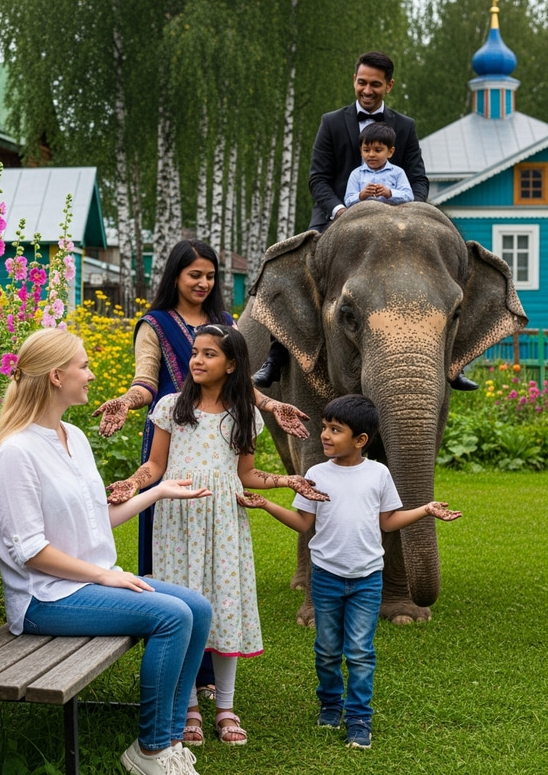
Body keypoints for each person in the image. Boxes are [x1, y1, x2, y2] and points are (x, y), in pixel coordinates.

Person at [0, 328, 214, 775]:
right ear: (54, 376)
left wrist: (158, 492)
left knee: (197, 608)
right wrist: (103, 575)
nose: (90, 374)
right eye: (83, 366)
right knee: (172, 615)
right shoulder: (17, 453)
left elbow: (94, 520)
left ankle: (166, 739)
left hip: (80, 585)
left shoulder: (74, 438)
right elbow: (31, 552)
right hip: (45, 598)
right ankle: (149, 750)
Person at [106, 325, 329, 747]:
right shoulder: (171, 407)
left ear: (232, 365)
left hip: (225, 523)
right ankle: (189, 706)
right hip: (177, 521)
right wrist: (134, 483)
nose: (197, 360)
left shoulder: (243, 415)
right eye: (195, 352)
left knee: (225, 607)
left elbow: (246, 475)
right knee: (183, 609)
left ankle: (225, 707)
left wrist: (287, 480)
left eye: (209, 354)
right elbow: (155, 466)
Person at [236, 394, 462, 750]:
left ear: (360, 440)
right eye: (325, 427)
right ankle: (330, 704)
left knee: (359, 651)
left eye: (335, 430)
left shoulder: (379, 474)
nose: (324, 435)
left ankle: (358, 718)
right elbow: (302, 523)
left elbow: (388, 522)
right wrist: (265, 504)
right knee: (326, 650)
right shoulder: (314, 474)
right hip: (324, 577)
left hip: (367, 580)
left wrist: (425, 510)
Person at [254, 51, 476, 390]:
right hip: (338, 218)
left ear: (388, 85)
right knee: (296, 269)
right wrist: (340, 210)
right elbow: (318, 179)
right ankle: (277, 355)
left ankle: (454, 359)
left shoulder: (405, 127)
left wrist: (408, 211)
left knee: (452, 273)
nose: (367, 90)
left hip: (397, 220)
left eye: (375, 84)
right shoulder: (331, 122)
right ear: (354, 81)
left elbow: (419, 180)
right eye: (362, 82)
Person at [94, 239, 311, 576]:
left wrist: (270, 405)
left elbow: (239, 378)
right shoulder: (155, 324)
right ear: (175, 276)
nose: (203, 284)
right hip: (174, 428)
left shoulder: (223, 320)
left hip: (221, 428)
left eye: (210, 276)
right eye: (194, 275)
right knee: (167, 529)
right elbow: (146, 383)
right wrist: (125, 401)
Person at [343, 122, 413, 207]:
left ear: (390, 152)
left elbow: (409, 197)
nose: (371, 154)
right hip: (363, 216)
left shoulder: (398, 172)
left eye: (378, 150)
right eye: (366, 150)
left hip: (392, 215)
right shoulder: (356, 174)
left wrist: (390, 193)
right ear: (361, 150)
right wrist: (361, 195)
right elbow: (348, 201)